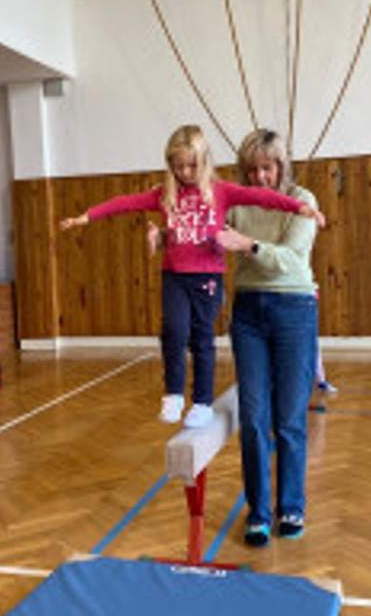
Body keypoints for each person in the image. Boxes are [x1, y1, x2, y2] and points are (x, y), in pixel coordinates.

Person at [60, 124, 324, 429]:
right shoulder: (165, 195)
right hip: (174, 276)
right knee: (173, 331)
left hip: (209, 278)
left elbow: (262, 198)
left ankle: (201, 401)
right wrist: (87, 217)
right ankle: (173, 394)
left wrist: (301, 208)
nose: (185, 172)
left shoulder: (221, 192)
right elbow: (125, 203)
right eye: (179, 166)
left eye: (192, 165)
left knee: (201, 338)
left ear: (204, 161)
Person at [215, 128, 321, 547]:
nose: (260, 177)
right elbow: (205, 234)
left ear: (281, 167)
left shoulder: (302, 200)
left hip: (294, 309)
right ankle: (258, 513)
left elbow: (292, 261)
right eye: (252, 170)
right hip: (248, 314)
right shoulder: (236, 204)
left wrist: (248, 245)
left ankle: (291, 506)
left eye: (267, 168)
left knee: (289, 418)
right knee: (254, 418)